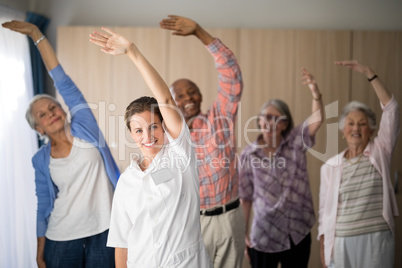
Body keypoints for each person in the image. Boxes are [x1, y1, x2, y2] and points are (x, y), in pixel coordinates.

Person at [89, 27, 212, 268]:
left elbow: (165, 98)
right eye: (139, 130)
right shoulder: (126, 181)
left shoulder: (180, 155)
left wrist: (132, 52)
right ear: (131, 134)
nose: (148, 136)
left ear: (165, 126)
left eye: (154, 126)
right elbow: (122, 243)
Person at [2, 21, 120, 267]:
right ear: (39, 128)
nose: (51, 113)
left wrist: (36, 34)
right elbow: (43, 206)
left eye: (52, 106)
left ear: (63, 109)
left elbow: (62, 81)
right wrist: (39, 251)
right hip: (62, 238)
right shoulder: (40, 160)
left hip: (106, 231)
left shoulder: (84, 125)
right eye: (43, 115)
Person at [159, 15, 245, 268]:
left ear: (201, 94)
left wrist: (199, 33)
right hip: (193, 222)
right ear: (171, 102)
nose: (188, 97)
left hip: (231, 216)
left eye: (192, 91)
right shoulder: (168, 138)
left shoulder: (220, 118)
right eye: (180, 95)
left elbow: (231, 74)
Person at [238, 68, 324, 268]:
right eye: (267, 117)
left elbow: (317, 120)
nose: (271, 123)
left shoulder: (296, 141)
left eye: (278, 119)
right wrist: (242, 233)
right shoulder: (249, 154)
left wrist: (315, 92)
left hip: (297, 230)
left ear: (285, 125)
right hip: (263, 232)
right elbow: (246, 197)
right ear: (259, 120)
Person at [318, 60, 399, 268]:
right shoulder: (329, 167)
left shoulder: (380, 151)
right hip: (341, 239)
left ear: (371, 130)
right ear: (343, 132)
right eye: (351, 123)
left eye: (362, 124)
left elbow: (391, 109)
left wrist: (370, 73)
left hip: (375, 237)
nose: (356, 128)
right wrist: (323, 248)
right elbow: (324, 213)